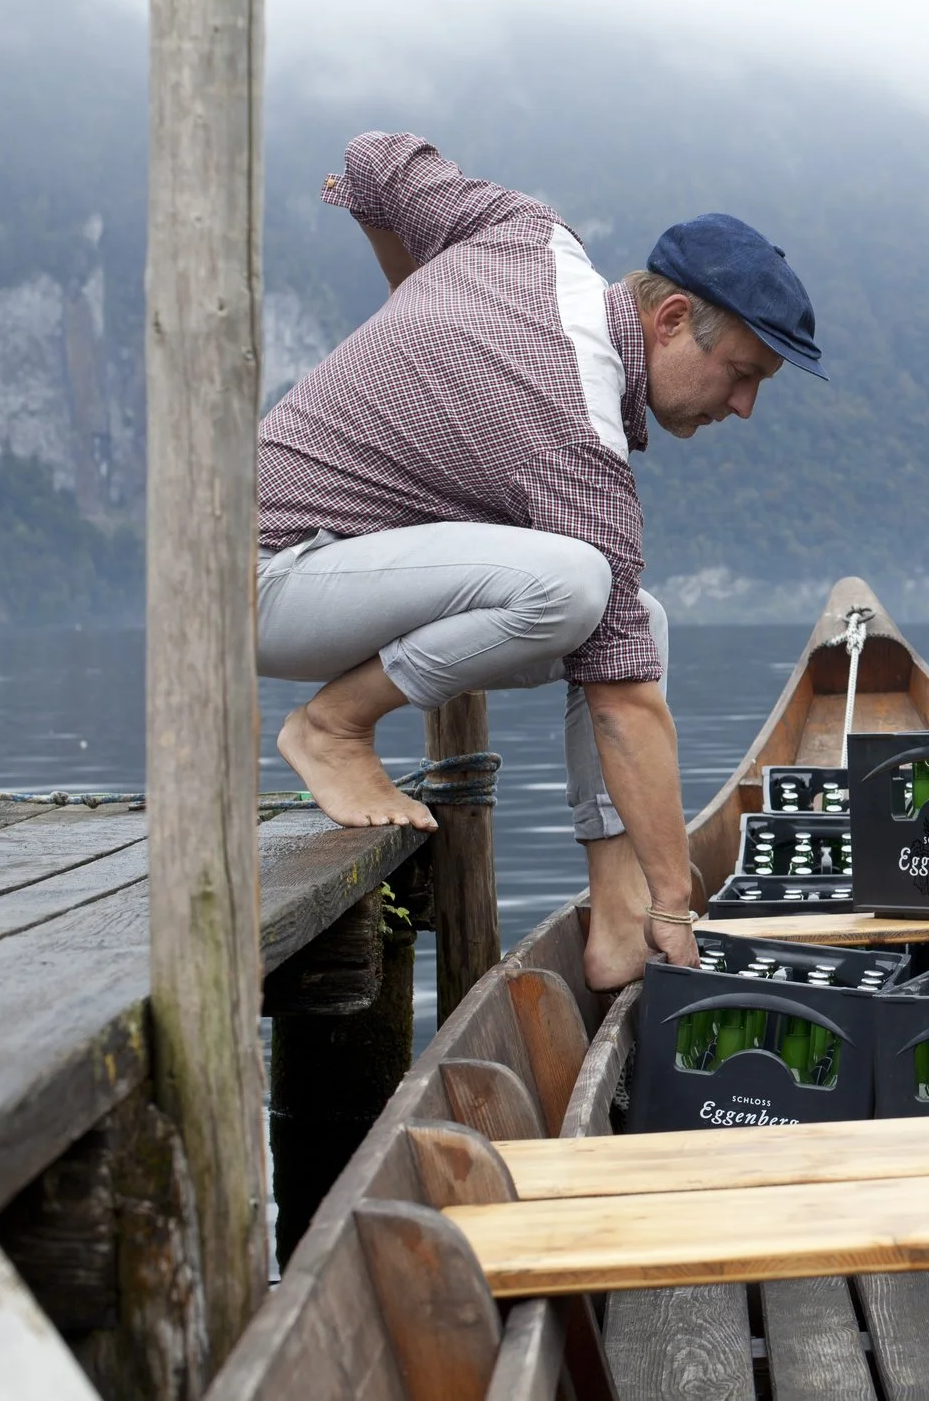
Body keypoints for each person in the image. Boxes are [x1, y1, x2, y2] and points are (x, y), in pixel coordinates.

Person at [255, 132, 824, 987]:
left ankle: (616, 912)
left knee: (642, 616)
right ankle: (332, 725)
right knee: (576, 585)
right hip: (258, 579)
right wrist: (683, 899)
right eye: (742, 373)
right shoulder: (575, 432)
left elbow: (374, 162)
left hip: (332, 564)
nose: (743, 407)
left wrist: (420, 325)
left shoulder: (526, 232)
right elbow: (624, 702)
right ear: (671, 321)